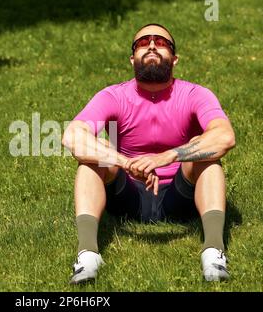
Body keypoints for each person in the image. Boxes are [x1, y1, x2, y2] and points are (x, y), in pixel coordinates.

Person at [62, 23, 236, 284]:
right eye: (143, 43)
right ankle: (87, 254)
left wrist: (168, 156)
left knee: (208, 157)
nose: (152, 45)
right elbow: (72, 136)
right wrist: (125, 162)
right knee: (94, 160)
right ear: (133, 58)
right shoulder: (113, 96)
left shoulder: (195, 94)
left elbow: (225, 136)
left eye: (161, 42)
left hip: (181, 197)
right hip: (127, 196)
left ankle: (213, 251)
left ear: (174, 59)